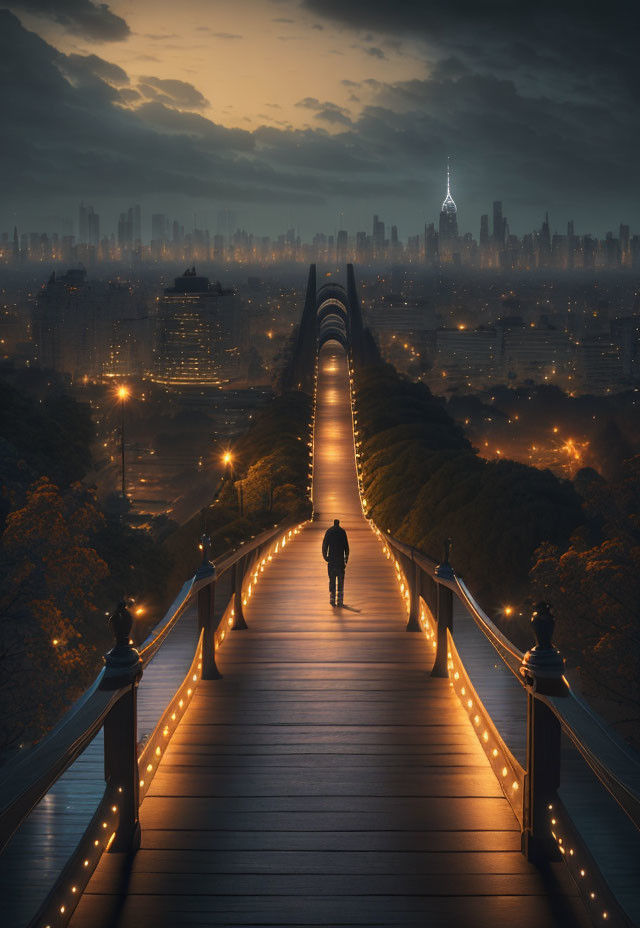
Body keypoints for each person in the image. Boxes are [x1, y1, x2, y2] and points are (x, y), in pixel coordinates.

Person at [322, 518, 349, 607]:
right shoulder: (342, 532)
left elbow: (325, 545)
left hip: (332, 560)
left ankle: (332, 598)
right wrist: (346, 559)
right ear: (339, 523)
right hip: (340, 561)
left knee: (332, 579)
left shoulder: (329, 531)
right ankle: (340, 599)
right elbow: (346, 547)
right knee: (340, 580)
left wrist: (325, 556)